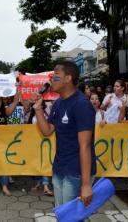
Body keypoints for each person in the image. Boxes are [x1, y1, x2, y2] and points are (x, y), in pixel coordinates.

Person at [33, 60, 96, 207]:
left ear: (68, 78)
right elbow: (47, 131)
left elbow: (85, 145)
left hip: (76, 173)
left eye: (55, 76)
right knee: (62, 214)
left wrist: (86, 184)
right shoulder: (59, 102)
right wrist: (38, 109)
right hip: (59, 168)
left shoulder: (81, 104)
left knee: (71, 217)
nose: (51, 79)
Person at [27, 95, 53, 196]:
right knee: (37, 163)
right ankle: (38, 182)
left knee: (45, 163)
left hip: (46, 143)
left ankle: (46, 185)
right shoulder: (32, 115)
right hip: (35, 144)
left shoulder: (48, 113)